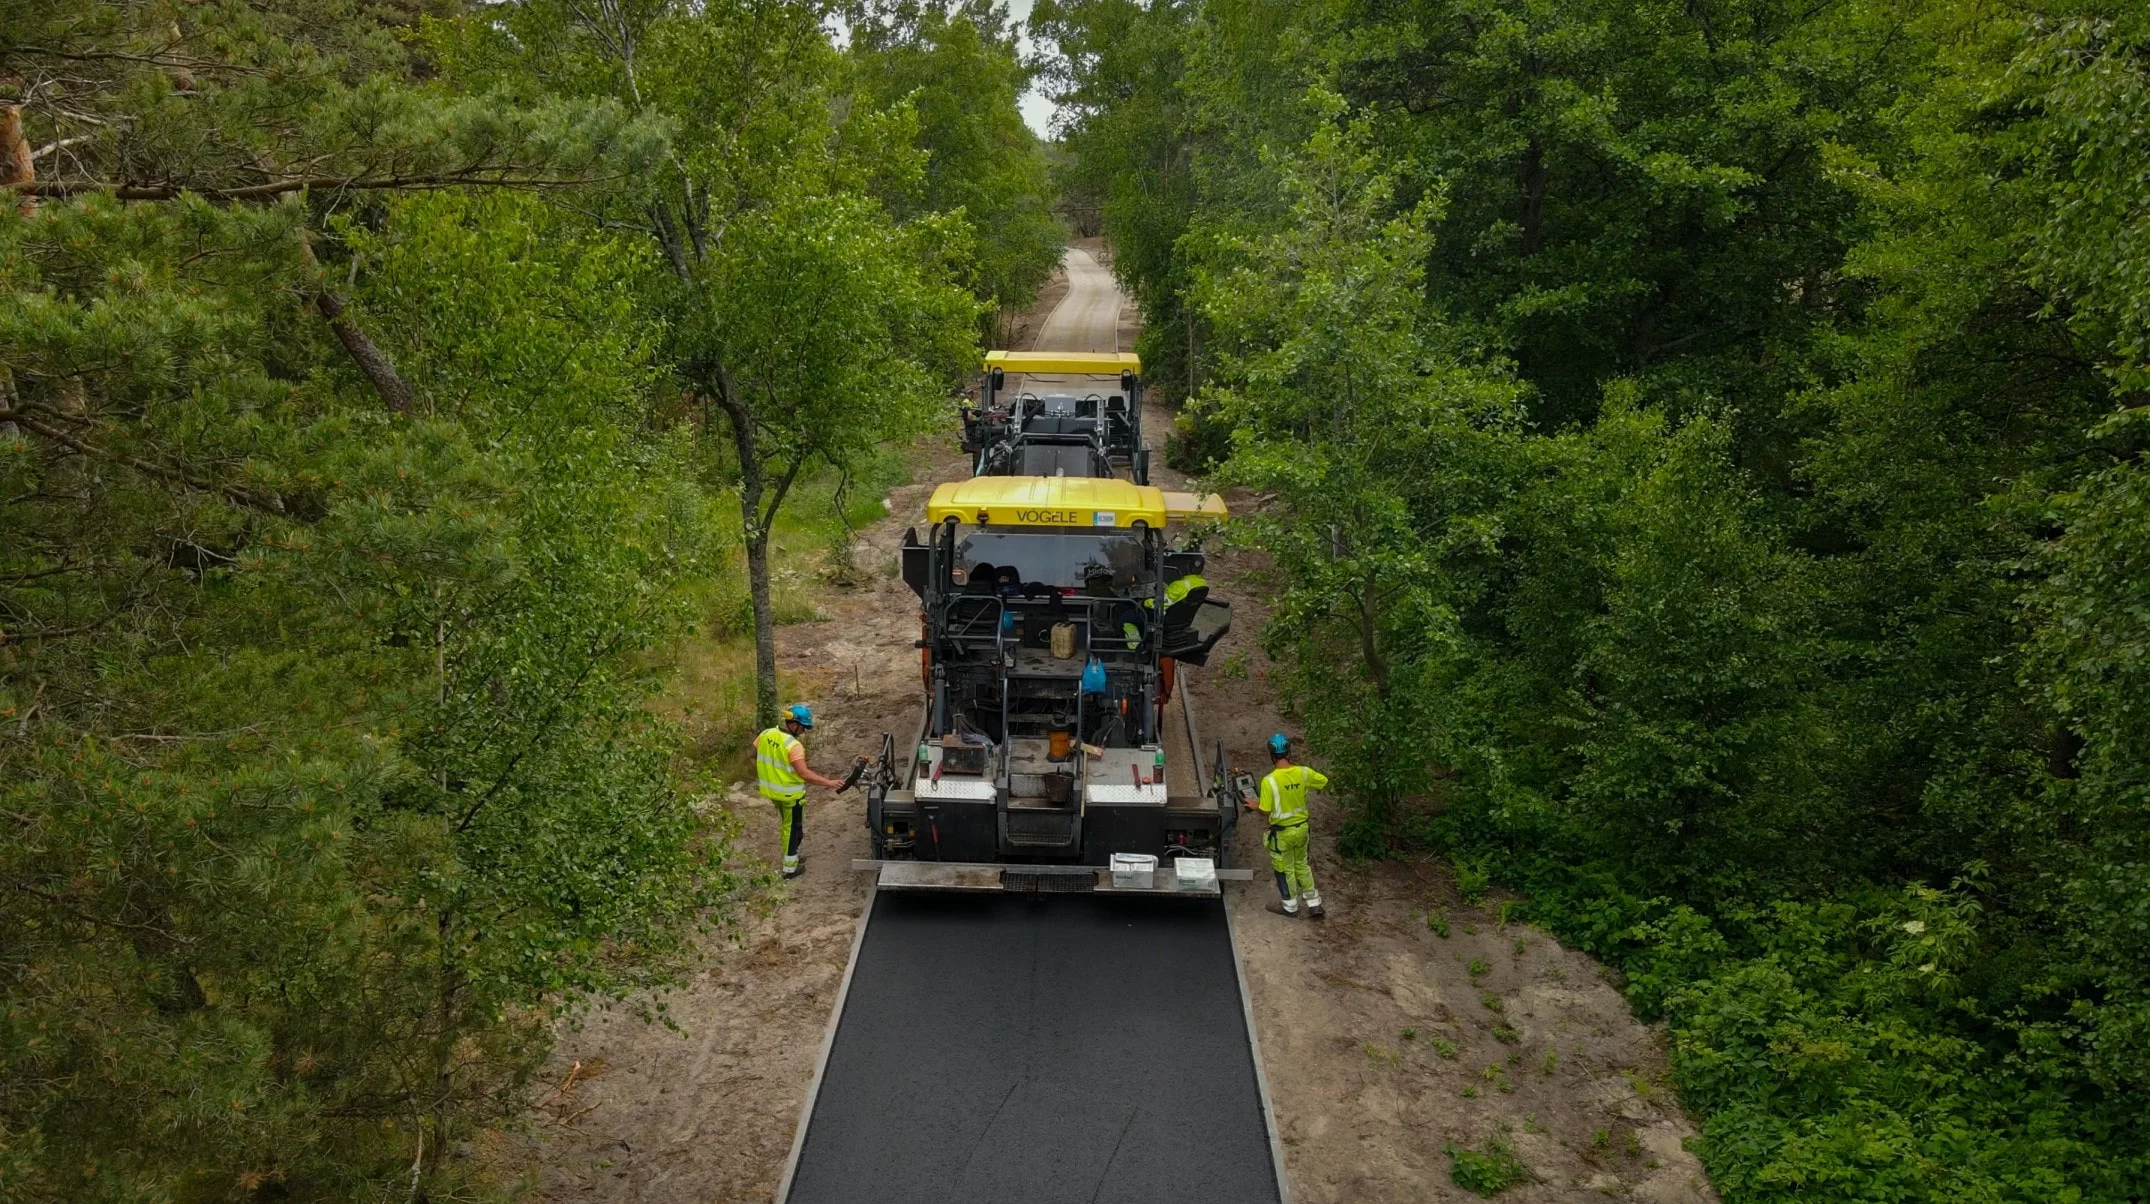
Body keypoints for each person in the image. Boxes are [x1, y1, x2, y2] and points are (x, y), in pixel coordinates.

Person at [756, 703, 843, 879]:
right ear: (794, 724)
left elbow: (753, 754)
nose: (804, 731)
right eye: (804, 727)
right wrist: (829, 782)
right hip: (790, 795)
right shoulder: (794, 746)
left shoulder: (766, 734)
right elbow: (804, 774)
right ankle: (790, 869)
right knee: (793, 830)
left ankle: (793, 857)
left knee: (788, 826)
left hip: (771, 792)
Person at [1250, 732, 1326, 918]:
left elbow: (1265, 810)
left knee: (1285, 869)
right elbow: (1323, 781)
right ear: (1289, 752)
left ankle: (1290, 906)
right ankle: (1314, 903)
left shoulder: (1269, 781)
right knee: (1302, 865)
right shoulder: (1304, 772)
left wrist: (1254, 805)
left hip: (1282, 834)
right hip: (1302, 830)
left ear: (1271, 755)